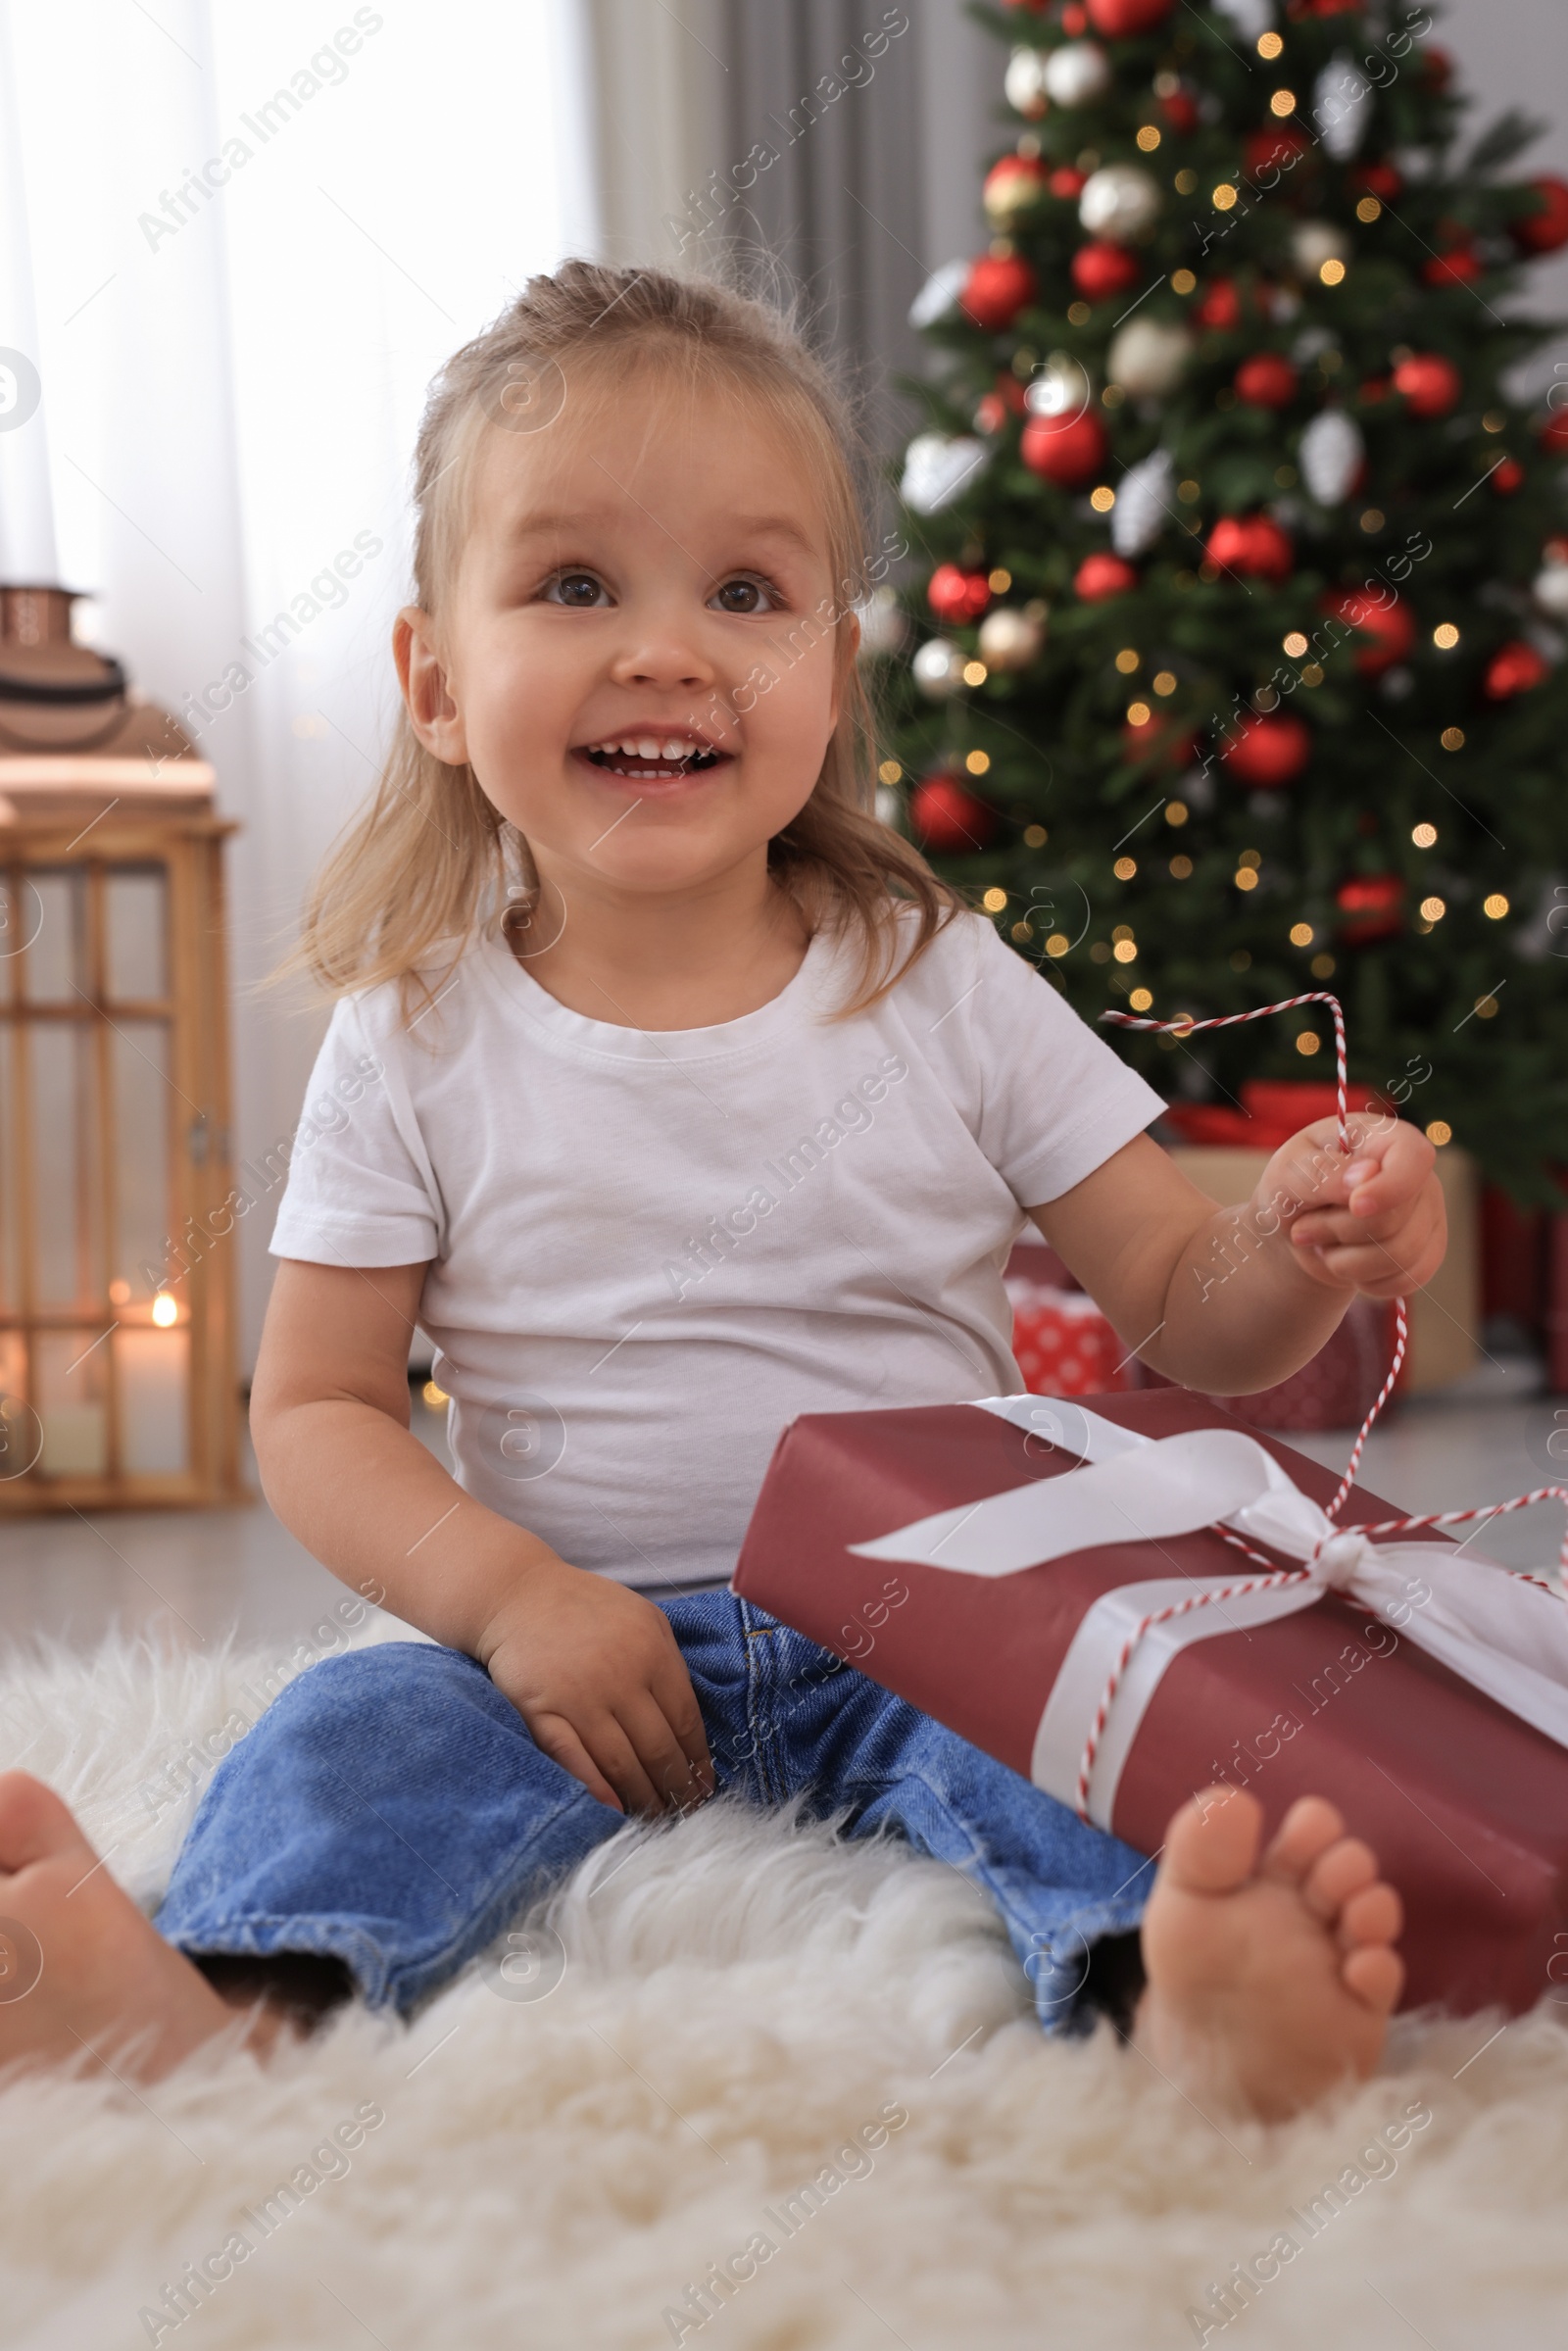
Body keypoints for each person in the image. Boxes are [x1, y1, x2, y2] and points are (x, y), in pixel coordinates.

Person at [0, 264, 1445, 2119]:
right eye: (576, 585)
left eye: (747, 594)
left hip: (927, 1615)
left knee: (1103, 1735)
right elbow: (322, 1406)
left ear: (831, 681)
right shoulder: (414, 1033)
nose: (667, 650)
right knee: (345, 1733)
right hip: (570, 1652)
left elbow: (1183, 1299)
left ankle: (1165, 1996)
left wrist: (1298, 1241)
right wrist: (511, 1602)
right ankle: (229, 2010)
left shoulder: (937, 977)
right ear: (436, 679)